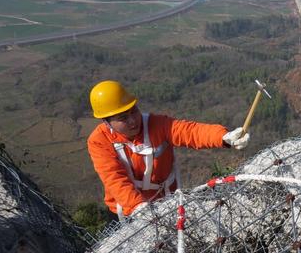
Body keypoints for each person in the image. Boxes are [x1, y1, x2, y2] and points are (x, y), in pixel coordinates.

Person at [87, 80, 249, 219]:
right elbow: (114, 179)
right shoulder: (99, 141)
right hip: (128, 212)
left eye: (133, 111)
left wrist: (223, 137)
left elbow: (189, 132)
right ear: (106, 122)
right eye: (122, 118)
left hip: (166, 203)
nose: (132, 121)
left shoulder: (157, 125)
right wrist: (138, 207)